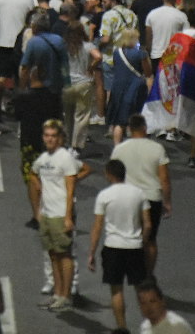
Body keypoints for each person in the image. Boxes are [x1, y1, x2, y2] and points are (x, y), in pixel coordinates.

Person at [88, 157, 153, 331]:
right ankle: (149, 325)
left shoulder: (104, 196)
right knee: (142, 290)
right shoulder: (139, 193)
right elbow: (147, 224)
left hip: (113, 247)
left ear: (109, 174)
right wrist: (143, 242)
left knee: (116, 290)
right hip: (135, 247)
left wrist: (91, 253)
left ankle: (122, 328)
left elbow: (97, 227)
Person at [33, 119, 89, 311]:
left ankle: (66, 295)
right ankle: (57, 293)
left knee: (64, 255)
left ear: (60, 138)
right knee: (53, 255)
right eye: (47, 135)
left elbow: (71, 189)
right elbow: (32, 173)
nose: (49, 139)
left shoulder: (64, 157)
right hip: (47, 213)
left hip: (59, 214)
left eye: (53, 136)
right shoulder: (44, 158)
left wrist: (68, 216)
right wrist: (39, 206)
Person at [111, 115, 172, 273]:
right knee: (150, 240)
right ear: (145, 129)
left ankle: (131, 269)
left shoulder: (119, 149)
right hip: (152, 198)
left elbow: (113, 175)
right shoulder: (157, 149)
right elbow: (164, 179)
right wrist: (167, 202)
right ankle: (148, 274)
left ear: (129, 129)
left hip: (127, 199)